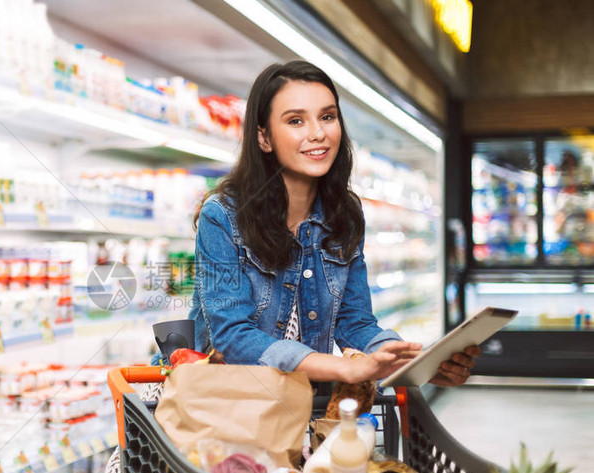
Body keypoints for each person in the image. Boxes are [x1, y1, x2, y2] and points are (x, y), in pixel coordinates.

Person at [186, 60, 480, 388]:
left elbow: (355, 323)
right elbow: (232, 337)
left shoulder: (344, 215)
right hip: (225, 407)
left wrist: (414, 363)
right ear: (264, 138)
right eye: (296, 120)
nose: (318, 133)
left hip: (301, 403)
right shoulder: (223, 216)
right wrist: (342, 368)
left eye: (327, 116)